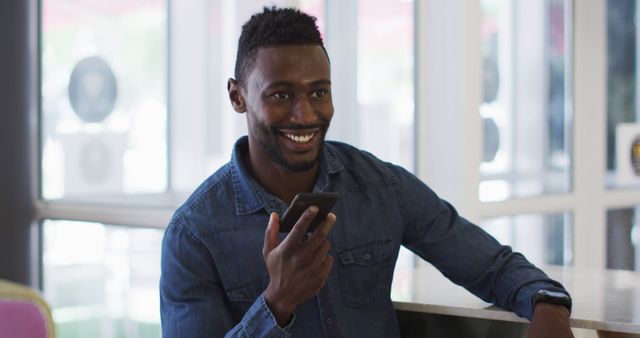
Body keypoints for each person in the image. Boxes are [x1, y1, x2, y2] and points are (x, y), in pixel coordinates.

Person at [160, 6, 573, 338]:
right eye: (281, 94)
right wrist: (276, 303)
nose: (305, 115)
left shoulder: (382, 187)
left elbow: (495, 267)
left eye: (318, 92)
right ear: (238, 97)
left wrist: (548, 306)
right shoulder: (194, 234)